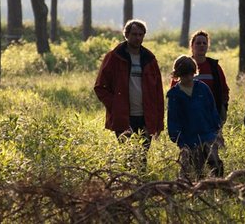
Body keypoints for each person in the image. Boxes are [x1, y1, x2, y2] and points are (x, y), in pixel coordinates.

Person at [94, 19, 164, 170]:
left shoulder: (150, 59)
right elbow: (100, 87)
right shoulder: (114, 57)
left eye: (140, 34)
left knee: (142, 159)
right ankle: (126, 188)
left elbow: (158, 92)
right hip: (123, 118)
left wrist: (159, 122)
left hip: (146, 118)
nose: (137, 37)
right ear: (126, 35)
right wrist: (115, 105)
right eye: (134, 34)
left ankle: (141, 190)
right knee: (127, 158)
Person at [167, 55, 224, 179]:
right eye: (184, 75)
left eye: (191, 74)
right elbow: (173, 120)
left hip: (208, 135)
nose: (188, 78)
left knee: (215, 164)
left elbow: (212, 111)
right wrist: (179, 140)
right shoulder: (174, 95)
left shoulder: (203, 88)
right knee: (196, 171)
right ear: (178, 75)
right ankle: (196, 193)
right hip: (188, 139)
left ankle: (219, 188)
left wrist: (217, 131)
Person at [172, 30, 230, 144]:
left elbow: (224, 91)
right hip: (188, 118)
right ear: (192, 46)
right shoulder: (184, 64)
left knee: (212, 154)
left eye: (204, 43)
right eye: (198, 43)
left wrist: (221, 112)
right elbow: (174, 91)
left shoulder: (214, 67)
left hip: (211, 118)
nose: (202, 45)